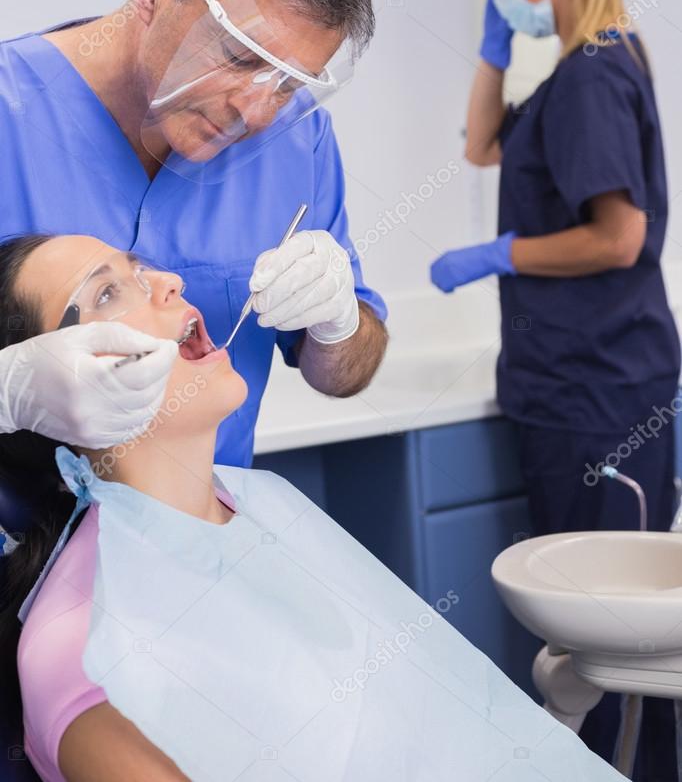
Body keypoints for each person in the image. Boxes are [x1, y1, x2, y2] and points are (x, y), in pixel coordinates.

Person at [0, 234, 625, 782]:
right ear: (46, 393)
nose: (168, 282)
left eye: (140, 269)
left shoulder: (257, 504)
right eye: (107, 295)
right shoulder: (79, 654)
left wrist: (342, 319)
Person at [0, 0, 387, 468]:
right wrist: (7, 391)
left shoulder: (296, 142)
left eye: (290, 82)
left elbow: (346, 374)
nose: (258, 113)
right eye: (240, 57)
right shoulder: (11, 115)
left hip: (206, 547)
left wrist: (336, 324)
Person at [430, 0, 680, 777]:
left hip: (601, 391)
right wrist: (496, 48)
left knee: (610, 648)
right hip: (575, 385)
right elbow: (480, 145)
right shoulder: (586, 63)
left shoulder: (591, 77)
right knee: (597, 645)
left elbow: (619, 238)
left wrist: (498, 255)